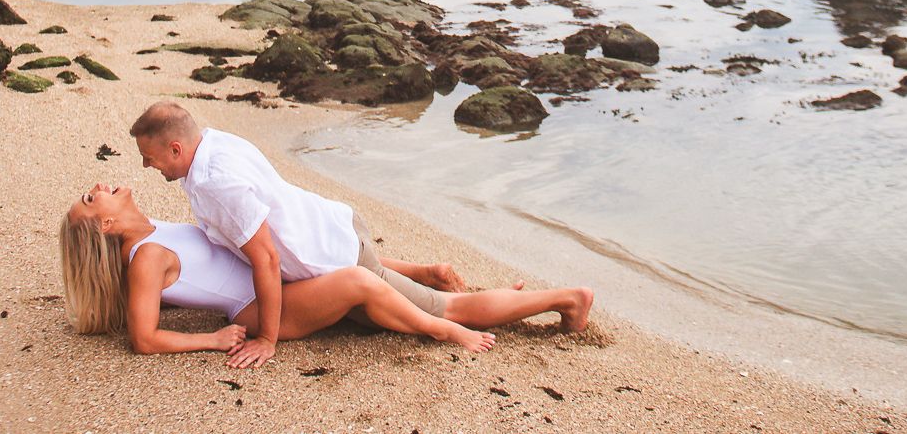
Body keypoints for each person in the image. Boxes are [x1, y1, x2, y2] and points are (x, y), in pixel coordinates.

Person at [129, 101, 594, 367]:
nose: (148, 166)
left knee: (454, 311)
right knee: (428, 298)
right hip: (333, 228)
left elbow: (267, 258)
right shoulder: (212, 143)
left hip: (339, 257)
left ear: (176, 147)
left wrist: (268, 339)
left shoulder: (214, 181)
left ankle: (567, 300)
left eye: (152, 157)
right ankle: (440, 277)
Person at [58, 182, 496, 359]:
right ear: (107, 225)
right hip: (259, 305)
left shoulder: (151, 234)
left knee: (318, 252)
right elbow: (144, 339)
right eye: (92, 199)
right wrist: (210, 340)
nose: (98, 187)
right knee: (357, 280)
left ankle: (423, 273)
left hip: (269, 280)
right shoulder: (146, 258)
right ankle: (442, 329)